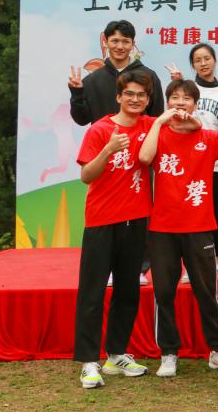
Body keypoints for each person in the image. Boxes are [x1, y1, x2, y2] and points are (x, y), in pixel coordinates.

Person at [138, 79, 218, 378]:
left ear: (195, 104)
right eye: (175, 97)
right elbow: (145, 158)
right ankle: (168, 353)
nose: (180, 103)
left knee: (206, 291)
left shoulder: (208, 137)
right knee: (164, 292)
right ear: (167, 102)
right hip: (162, 227)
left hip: (199, 227)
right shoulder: (158, 133)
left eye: (186, 98)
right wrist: (159, 121)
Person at [72, 70, 157, 389]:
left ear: (147, 100)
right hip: (102, 221)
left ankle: (116, 354)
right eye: (129, 94)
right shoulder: (100, 129)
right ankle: (88, 361)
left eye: (141, 95)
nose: (135, 100)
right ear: (118, 97)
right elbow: (86, 176)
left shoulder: (149, 126)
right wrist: (108, 150)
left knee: (128, 291)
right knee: (92, 292)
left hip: (137, 221)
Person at [167, 43, 218, 270]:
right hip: (189, 162)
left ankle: (213, 257)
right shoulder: (187, 91)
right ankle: (188, 261)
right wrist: (178, 83)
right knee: (189, 211)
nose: (203, 63)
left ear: (215, 60)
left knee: (213, 212)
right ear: (192, 65)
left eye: (207, 58)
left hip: (217, 163)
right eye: (197, 60)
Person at [68, 20, 164, 125]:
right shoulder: (92, 80)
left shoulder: (149, 76)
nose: (120, 47)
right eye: (115, 41)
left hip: (141, 136)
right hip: (103, 136)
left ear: (133, 44)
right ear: (105, 42)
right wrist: (77, 94)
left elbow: (157, 118)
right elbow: (82, 120)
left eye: (125, 41)